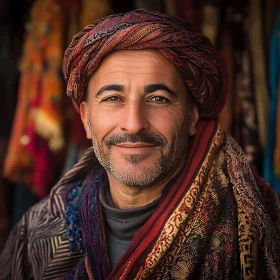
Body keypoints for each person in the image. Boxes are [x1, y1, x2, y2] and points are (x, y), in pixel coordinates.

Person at [1, 9, 280, 280]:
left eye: (158, 98)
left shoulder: (257, 230)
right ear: (86, 118)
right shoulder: (38, 230)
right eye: (112, 98)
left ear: (192, 116)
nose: (134, 123)